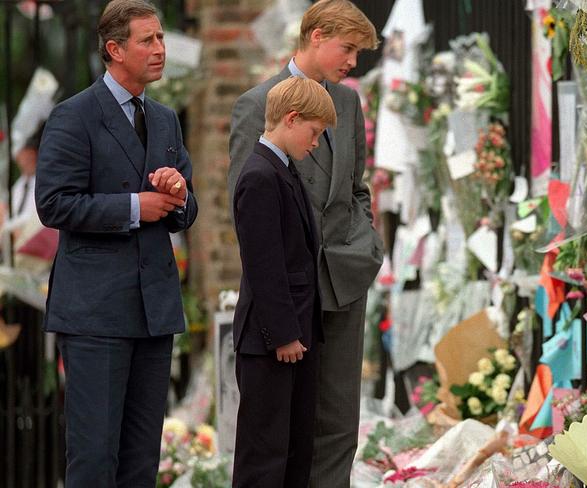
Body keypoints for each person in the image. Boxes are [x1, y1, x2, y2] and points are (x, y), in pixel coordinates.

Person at [35, 0, 198, 486]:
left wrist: (178, 193)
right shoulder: (73, 116)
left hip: (155, 311)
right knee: (94, 458)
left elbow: (185, 211)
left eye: (162, 38)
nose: (160, 49)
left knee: (142, 460)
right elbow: (55, 204)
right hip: (95, 314)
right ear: (114, 49)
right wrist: (134, 208)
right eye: (147, 40)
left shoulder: (166, 119)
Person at [228, 1, 383, 485]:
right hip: (293, 292)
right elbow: (248, 211)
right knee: (283, 429)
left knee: (339, 421)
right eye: (348, 48)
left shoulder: (349, 102)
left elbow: (357, 187)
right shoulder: (258, 104)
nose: (353, 62)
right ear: (316, 36)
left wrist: (367, 244)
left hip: (345, 278)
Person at [231, 76, 335, 488]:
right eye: (314, 133)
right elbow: (264, 265)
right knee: (265, 456)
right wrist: (284, 334)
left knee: (294, 450)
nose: (315, 144)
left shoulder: (282, 169)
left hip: (293, 336)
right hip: (271, 340)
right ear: (291, 119)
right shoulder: (260, 175)